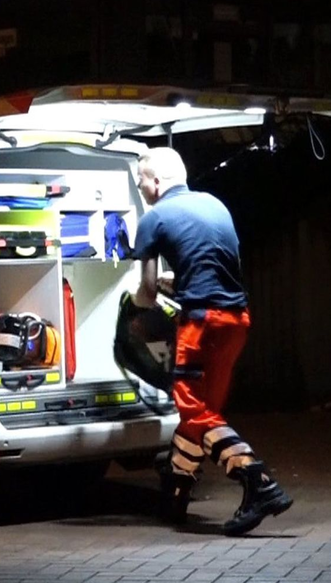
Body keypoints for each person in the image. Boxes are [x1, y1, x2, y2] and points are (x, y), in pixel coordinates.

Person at [130, 146, 292, 536]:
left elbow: (148, 293)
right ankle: (176, 494)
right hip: (236, 321)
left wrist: (132, 305)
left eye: (140, 184)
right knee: (203, 414)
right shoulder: (215, 205)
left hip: (201, 324)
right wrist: (178, 282)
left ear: (155, 181)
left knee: (193, 408)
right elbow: (211, 265)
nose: (141, 191)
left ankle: (259, 482)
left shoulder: (153, 218)